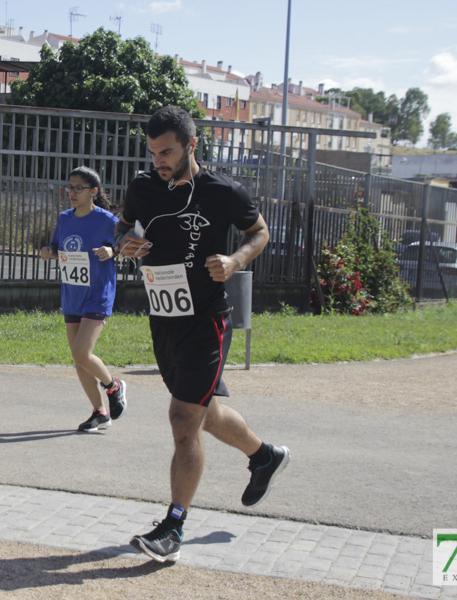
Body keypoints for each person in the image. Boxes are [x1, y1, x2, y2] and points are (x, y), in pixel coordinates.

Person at [116, 106, 289, 563]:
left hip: (207, 319)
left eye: (167, 152)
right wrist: (125, 243)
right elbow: (122, 226)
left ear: (191, 145)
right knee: (203, 413)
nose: (159, 161)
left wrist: (236, 261)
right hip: (163, 314)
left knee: (182, 420)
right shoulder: (143, 187)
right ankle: (264, 455)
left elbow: (260, 231)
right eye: (153, 153)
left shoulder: (222, 191)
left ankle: (173, 527)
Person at [39, 166, 128, 432]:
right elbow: (58, 248)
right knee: (78, 359)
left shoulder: (107, 220)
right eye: (70, 187)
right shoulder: (65, 218)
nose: (72, 193)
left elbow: (126, 243)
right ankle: (100, 412)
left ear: (94, 192)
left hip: (98, 293)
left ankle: (113, 385)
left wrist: (112, 250)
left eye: (79, 188)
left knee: (81, 352)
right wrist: (49, 252)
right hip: (72, 293)